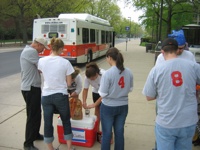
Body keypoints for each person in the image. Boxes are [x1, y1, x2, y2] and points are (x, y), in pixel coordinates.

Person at [143, 38, 200, 150]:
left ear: (162, 52)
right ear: (177, 50)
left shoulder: (156, 70)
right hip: (188, 120)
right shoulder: (193, 66)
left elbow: (149, 96)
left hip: (167, 121)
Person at [38, 37, 75, 150]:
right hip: (61, 95)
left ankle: (51, 148)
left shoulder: (41, 61)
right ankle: (69, 148)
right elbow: (69, 83)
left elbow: (41, 73)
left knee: (48, 122)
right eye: (62, 49)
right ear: (59, 49)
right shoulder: (65, 62)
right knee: (66, 121)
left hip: (46, 96)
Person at [98, 47, 133, 150]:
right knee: (119, 132)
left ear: (109, 58)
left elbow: (103, 93)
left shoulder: (107, 74)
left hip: (108, 106)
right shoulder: (129, 72)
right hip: (123, 106)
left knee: (107, 134)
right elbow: (130, 89)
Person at [20, 37, 49, 150]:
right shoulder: (31, 52)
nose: (43, 50)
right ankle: (28, 143)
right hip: (30, 88)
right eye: (43, 47)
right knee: (32, 115)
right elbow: (42, 68)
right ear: (38, 44)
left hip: (33, 87)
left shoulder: (30, 51)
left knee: (36, 113)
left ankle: (35, 134)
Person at [82, 62, 104, 132]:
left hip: (105, 92)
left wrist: (94, 104)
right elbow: (85, 89)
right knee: (97, 109)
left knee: (104, 110)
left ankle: (106, 130)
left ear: (97, 74)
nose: (91, 80)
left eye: (93, 78)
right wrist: (84, 101)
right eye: (90, 79)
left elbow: (105, 94)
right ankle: (97, 129)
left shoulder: (104, 75)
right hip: (96, 91)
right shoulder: (87, 77)